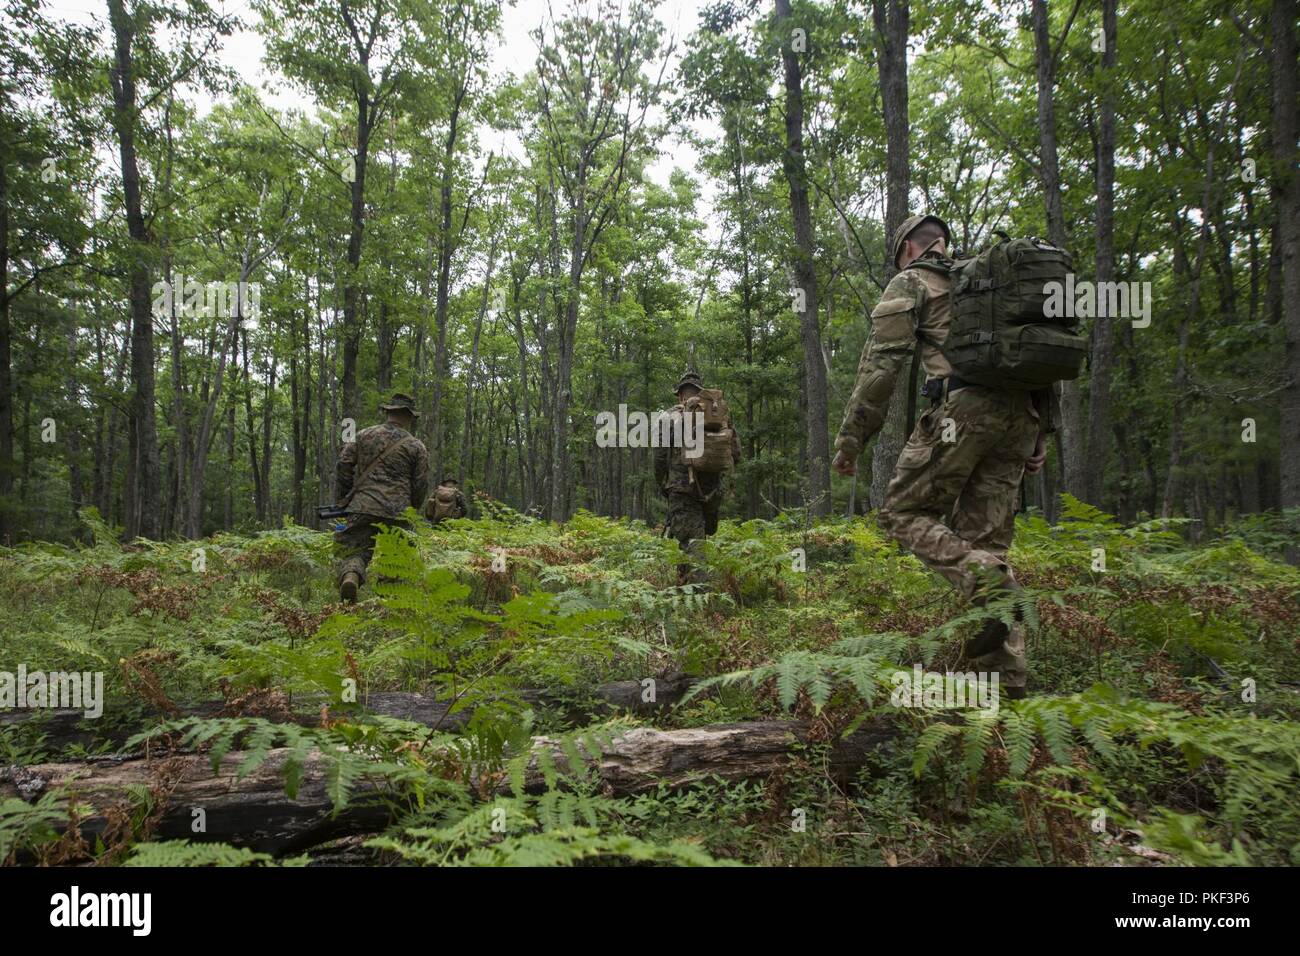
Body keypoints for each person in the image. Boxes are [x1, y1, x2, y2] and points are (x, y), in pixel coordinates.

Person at [831, 214, 1055, 699]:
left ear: (910, 248)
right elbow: (1041, 353)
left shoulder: (912, 281)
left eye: (899, 256)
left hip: (962, 412)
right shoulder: (996, 285)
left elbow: (880, 369)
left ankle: (991, 586)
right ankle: (1005, 690)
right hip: (1021, 418)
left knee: (901, 512)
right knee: (988, 543)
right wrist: (1042, 431)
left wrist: (852, 439)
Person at [334, 392, 430, 602]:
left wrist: (344, 498)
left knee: (355, 550)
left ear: (389, 412)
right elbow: (421, 483)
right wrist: (412, 509)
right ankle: (387, 606)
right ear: (410, 417)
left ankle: (351, 576)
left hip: (363, 505)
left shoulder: (362, 435)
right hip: (398, 510)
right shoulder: (416, 446)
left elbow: (343, 464)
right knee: (395, 559)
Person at [654, 369, 742, 586]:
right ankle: (684, 584)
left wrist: (664, 485)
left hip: (681, 490)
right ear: (702, 393)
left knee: (692, 543)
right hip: (711, 490)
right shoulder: (718, 415)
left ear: (679, 395)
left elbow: (659, 457)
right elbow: (736, 453)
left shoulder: (668, 417)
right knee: (695, 540)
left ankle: (700, 599)